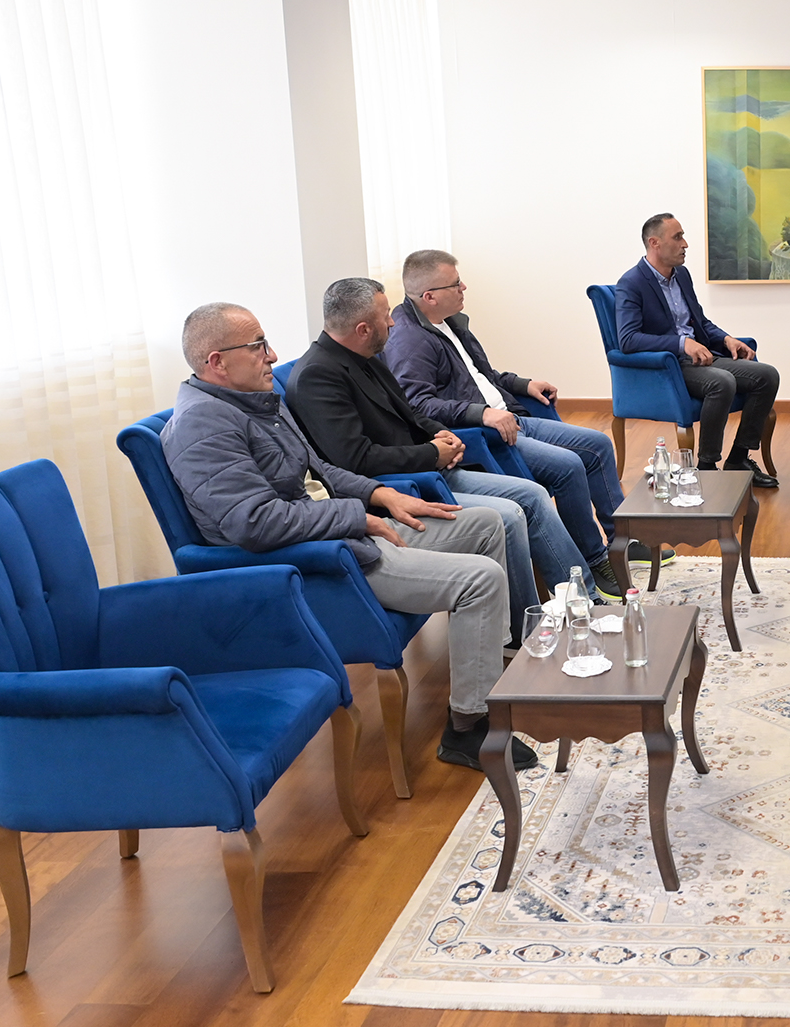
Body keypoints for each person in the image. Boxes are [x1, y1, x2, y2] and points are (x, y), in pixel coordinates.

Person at [162, 301, 539, 773]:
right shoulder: (202, 424)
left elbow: (320, 472)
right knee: (480, 579)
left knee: (484, 523)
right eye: (258, 346)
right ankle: (468, 729)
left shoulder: (254, 400)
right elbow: (254, 523)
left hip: (342, 532)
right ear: (216, 362)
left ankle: (486, 673)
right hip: (321, 562)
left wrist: (382, 495)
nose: (272, 355)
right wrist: (357, 518)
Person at [285, 277, 618, 606]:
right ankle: (538, 621)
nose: (392, 322)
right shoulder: (318, 376)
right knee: (516, 512)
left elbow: (410, 412)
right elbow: (355, 460)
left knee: (532, 495)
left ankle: (582, 601)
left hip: (430, 470)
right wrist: (432, 453)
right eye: (385, 316)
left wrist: (440, 434)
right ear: (363, 329)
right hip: (402, 487)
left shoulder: (365, 355)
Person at [382, 250, 661, 572]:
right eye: (456, 284)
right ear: (429, 296)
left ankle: (622, 540)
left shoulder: (448, 322)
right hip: (488, 434)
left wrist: (522, 384)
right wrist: (481, 413)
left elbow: (481, 375)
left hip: (511, 417)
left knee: (597, 445)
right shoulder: (410, 340)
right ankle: (595, 561)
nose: (464, 288)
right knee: (569, 465)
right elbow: (416, 404)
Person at [615, 213, 780, 487]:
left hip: (701, 357)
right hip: (669, 366)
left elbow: (700, 322)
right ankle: (706, 466)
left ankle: (738, 459)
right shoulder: (631, 283)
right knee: (722, 382)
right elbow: (628, 339)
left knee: (767, 375)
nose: (685, 244)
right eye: (677, 237)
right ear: (655, 243)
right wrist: (681, 343)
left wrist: (726, 339)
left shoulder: (681, 275)